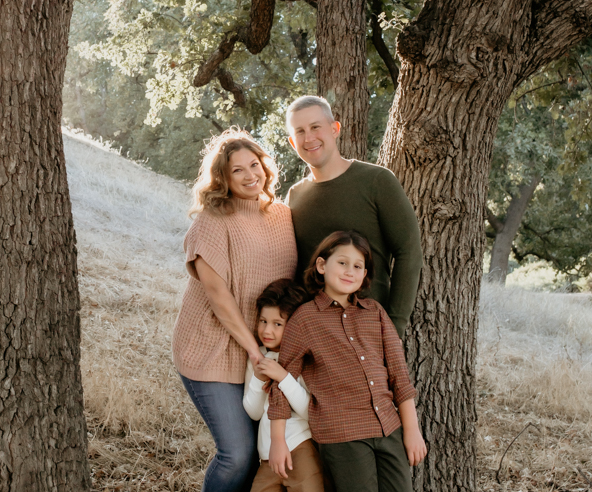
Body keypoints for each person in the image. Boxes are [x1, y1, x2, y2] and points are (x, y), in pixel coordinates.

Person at [173, 128, 298, 492]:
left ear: (265, 166)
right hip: (211, 349)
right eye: (237, 170)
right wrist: (254, 351)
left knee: (262, 456)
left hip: (263, 352)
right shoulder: (211, 220)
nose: (249, 175)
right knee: (237, 455)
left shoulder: (283, 216)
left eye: (254, 165)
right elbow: (219, 298)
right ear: (223, 179)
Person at [267, 231, 427, 492]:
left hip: (388, 428)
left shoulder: (375, 312)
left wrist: (412, 430)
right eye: (342, 262)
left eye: (358, 266)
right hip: (342, 435)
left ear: (365, 274)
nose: (349, 271)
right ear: (321, 265)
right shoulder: (305, 319)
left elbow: (399, 374)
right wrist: (277, 441)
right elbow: (280, 382)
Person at [284, 95, 422, 337]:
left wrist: (393, 328)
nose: (309, 138)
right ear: (292, 142)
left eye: (315, 127)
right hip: (314, 336)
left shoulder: (377, 181)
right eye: (300, 132)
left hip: (369, 333)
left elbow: (408, 252)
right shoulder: (295, 197)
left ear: (334, 129)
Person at [243, 279, 323, 492]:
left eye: (277, 324)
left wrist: (284, 378)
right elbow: (254, 413)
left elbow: (310, 411)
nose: (267, 330)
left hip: (300, 448)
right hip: (267, 457)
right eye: (263, 321)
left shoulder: (306, 360)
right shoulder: (258, 357)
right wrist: (258, 378)